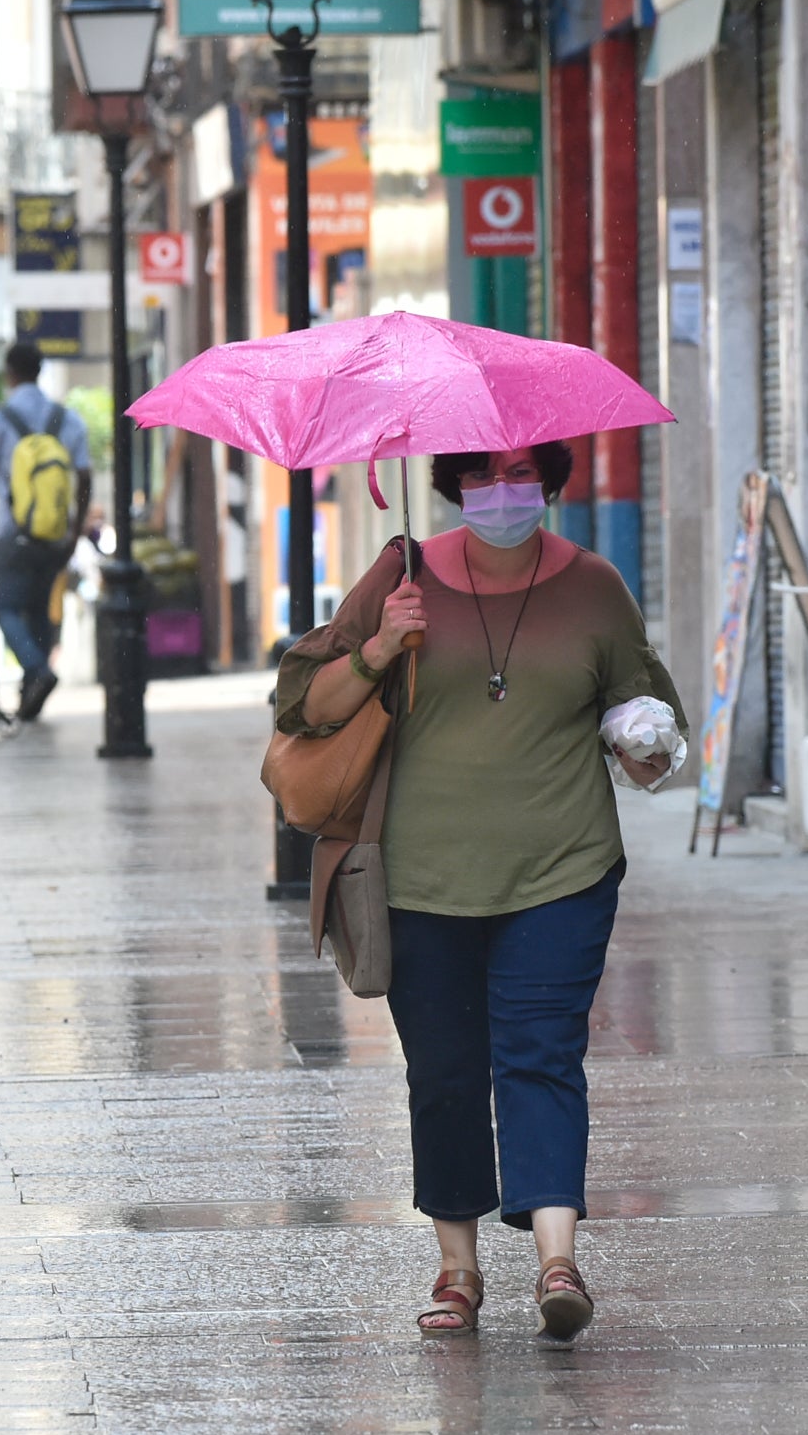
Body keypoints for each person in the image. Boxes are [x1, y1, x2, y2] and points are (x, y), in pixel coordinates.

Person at [275, 442, 684, 1342]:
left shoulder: (596, 587)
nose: (503, 492)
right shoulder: (401, 577)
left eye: (521, 473)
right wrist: (382, 646)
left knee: (541, 1055)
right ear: (454, 483)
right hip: (421, 880)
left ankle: (556, 1260)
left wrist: (644, 741)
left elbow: (648, 711)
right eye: (482, 475)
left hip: (562, 869)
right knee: (447, 1073)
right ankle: (458, 1268)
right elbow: (304, 706)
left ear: (549, 477)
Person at [0, 341, 91, 722]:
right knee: (38, 610)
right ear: (39, 371)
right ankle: (30, 695)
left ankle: (36, 672)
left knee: (4, 607)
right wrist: (73, 532)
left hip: (13, 534)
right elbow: (85, 479)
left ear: (9, 373)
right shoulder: (68, 419)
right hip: (55, 536)